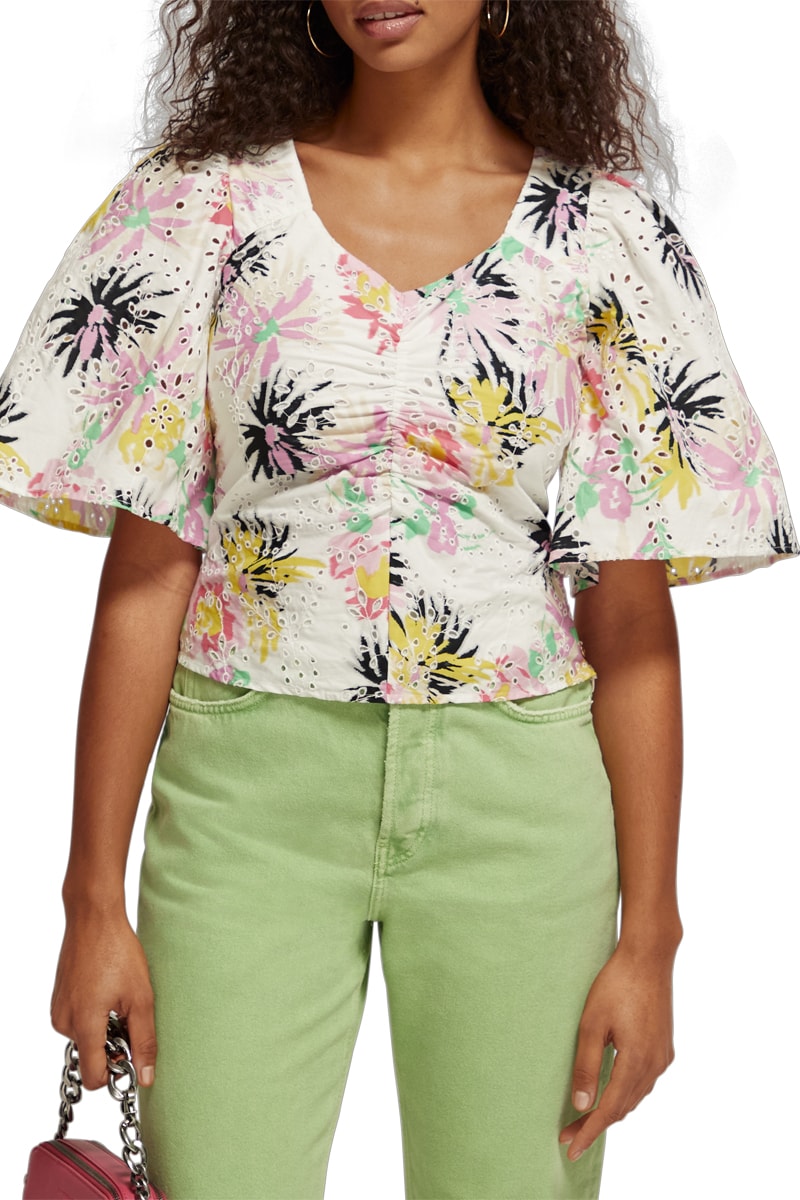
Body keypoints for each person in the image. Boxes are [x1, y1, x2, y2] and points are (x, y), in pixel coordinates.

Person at [2, 1, 797, 1197]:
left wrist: (651, 936)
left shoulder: (599, 235)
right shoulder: (201, 207)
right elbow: (149, 568)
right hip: (246, 797)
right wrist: (89, 902)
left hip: (520, 804)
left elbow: (629, 616)